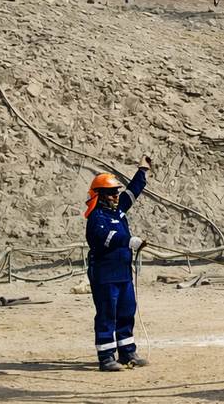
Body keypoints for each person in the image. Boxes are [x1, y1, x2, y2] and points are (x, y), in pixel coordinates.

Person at [84, 155, 152, 371]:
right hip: (105, 273)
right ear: (101, 195)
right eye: (112, 193)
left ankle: (127, 352)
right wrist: (129, 241)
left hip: (123, 272)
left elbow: (132, 193)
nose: (116, 195)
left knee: (126, 311)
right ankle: (106, 356)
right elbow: (105, 237)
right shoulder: (96, 217)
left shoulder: (118, 210)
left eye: (116, 192)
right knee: (107, 314)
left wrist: (142, 170)